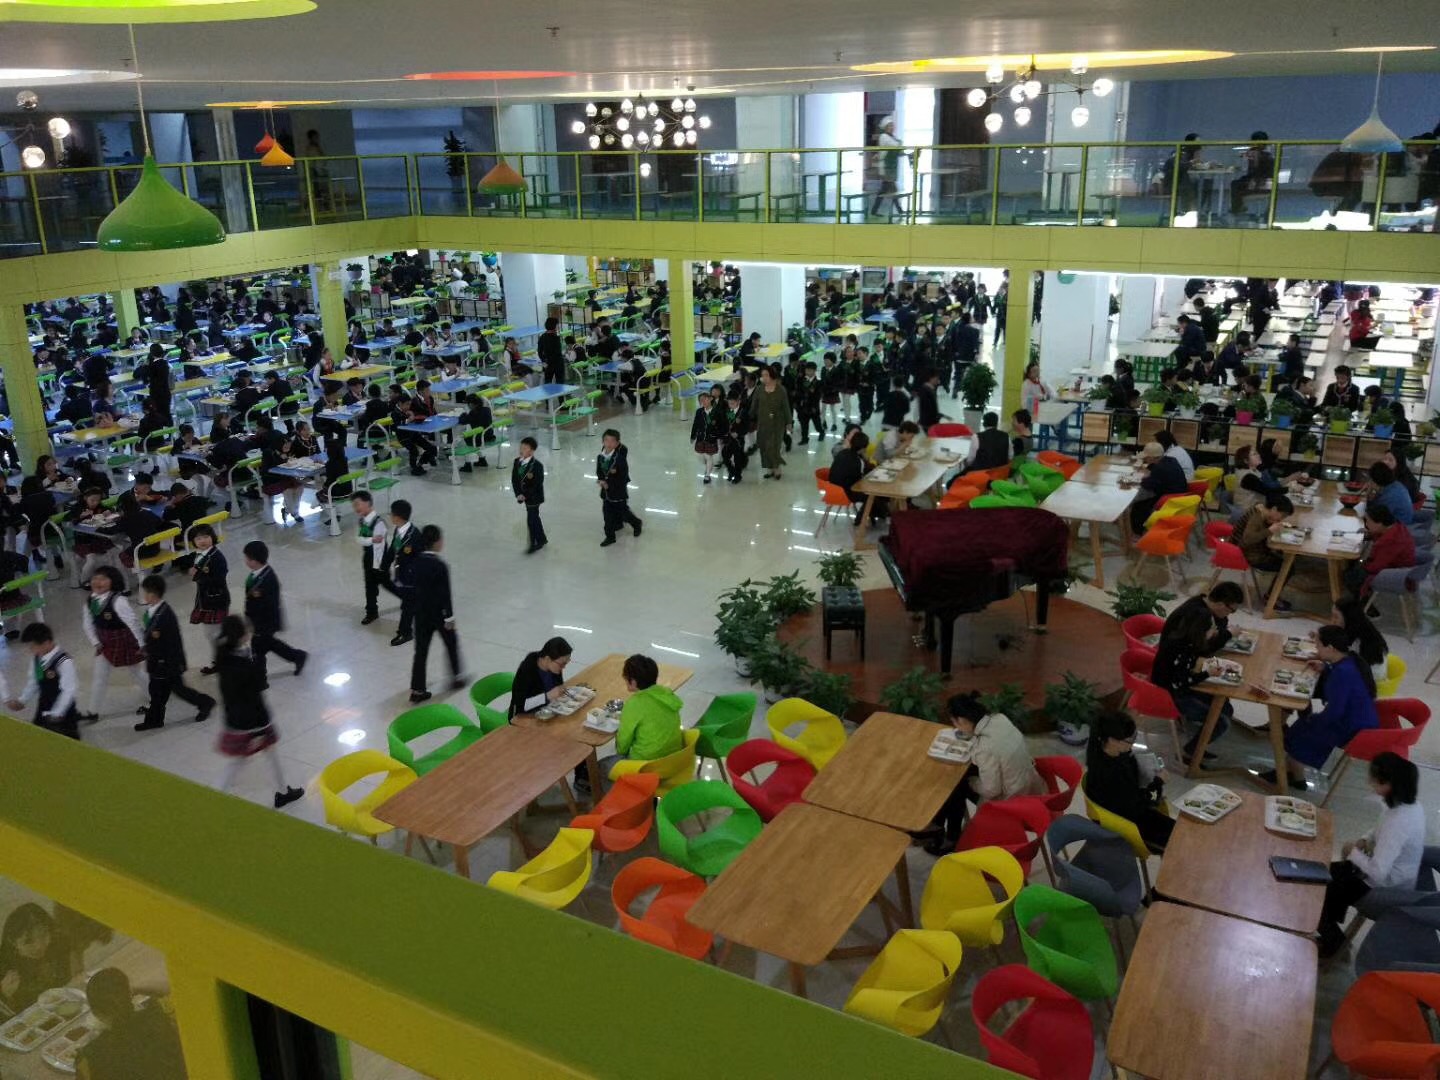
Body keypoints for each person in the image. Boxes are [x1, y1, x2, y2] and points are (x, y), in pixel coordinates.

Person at [1314, 751, 1424, 958]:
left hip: (1385, 888)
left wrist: (1352, 853)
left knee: (1317, 891)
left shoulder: (1399, 821)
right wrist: (1365, 839)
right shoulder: (1407, 805)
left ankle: (1334, 943)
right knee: (1321, 875)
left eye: (1374, 779)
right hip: (1383, 874)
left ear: (1389, 784)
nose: (1369, 782)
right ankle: (1333, 937)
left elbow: (1379, 872)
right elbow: (1378, 829)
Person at [923, 692, 1044, 856]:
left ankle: (948, 835)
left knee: (957, 787)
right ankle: (941, 827)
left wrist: (971, 781)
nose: (956, 728)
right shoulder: (1000, 719)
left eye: (955, 723)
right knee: (959, 784)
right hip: (1028, 784)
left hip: (1010, 799)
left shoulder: (985, 748)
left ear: (962, 720)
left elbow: (991, 790)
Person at [1263, 624, 1379, 789]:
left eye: (1318, 646)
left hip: (1351, 727)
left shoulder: (1342, 673)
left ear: (1330, 648)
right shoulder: (1349, 660)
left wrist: (1315, 719)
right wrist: (1325, 668)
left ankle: (1291, 776)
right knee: (1300, 726)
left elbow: (1335, 711)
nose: (1316, 649)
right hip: (1358, 719)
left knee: (1300, 731)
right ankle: (1293, 774)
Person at [211, 615, 304, 808]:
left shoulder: (224, 656)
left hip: (235, 719)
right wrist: (262, 728)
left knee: (255, 756)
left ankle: (282, 791)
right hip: (253, 721)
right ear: (241, 635)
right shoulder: (245, 663)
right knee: (246, 758)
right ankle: (218, 794)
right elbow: (256, 691)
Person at [1151, 596, 1238, 761]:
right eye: (1211, 628)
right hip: (1171, 694)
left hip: (1178, 685)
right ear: (1201, 631)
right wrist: (1206, 674)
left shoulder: (1187, 641)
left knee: (1224, 705)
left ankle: (1200, 728)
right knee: (1221, 721)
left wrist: (1206, 673)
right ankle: (1190, 751)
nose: (1214, 631)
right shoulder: (1183, 650)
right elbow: (1183, 682)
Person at [1084, 710, 1174, 851]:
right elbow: (1143, 803)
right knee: (1180, 842)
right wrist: (1158, 782)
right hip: (1128, 825)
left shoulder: (1104, 753)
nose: (1132, 744)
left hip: (1131, 811)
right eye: (1129, 741)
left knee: (1181, 832)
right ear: (1112, 740)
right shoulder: (1110, 774)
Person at [135, 575, 215, 732]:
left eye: (145, 592)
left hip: (166, 663)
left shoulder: (165, 616)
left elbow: (172, 643)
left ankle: (205, 703)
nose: (144, 595)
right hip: (159, 662)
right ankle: (155, 720)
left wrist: (167, 663)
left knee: (173, 690)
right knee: (160, 692)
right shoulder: (154, 611)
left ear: (152, 594)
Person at [77, 967, 185, 1080]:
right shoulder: (161, 1015)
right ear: (130, 995)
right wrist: (135, 988)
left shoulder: (91, 1057)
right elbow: (174, 988)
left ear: (96, 1013)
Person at [80, 565, 148, 722]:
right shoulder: (90, 601)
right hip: (104, 644)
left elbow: (133, 623)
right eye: (95, 578)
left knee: (136, 672)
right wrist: (95, 642)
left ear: (113, 582)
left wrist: (142, 644)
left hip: (124, 641)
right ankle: (92, 711)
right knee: (99, 677)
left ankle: (156, 697)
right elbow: (87, 624)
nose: (98, 582)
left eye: (103, 579)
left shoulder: (119, 601)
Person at [599, 654, 684, 774]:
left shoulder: (634, 704)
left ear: (633, 681)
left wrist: (620, 751)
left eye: (625, 678)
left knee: (599, 766)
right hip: (674, 759)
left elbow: (623, 745)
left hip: (646, 765)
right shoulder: (667, 694)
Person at [408, 524, 462, 704]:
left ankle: (417, 689)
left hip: (420, 614)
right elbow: (445, 594)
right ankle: (456, 677)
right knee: (451, 643)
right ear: (438, 542)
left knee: (420, 651)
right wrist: (449, 617)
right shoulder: (440, 566)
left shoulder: (415, 562)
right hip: (438, 614)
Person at [241, 541, 308, 679]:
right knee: (268, 644)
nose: (245, 561)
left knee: (259, 647)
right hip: (258, 620)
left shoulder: (268, 579)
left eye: (247, 558)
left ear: (254, 561)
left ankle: (260, 676)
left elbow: (270, 604)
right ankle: (297, 656)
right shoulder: (256, 574)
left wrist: (257, 622)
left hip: (265, 621)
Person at [7, 622, 80, 739]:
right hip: (44, 703)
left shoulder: (64, 661)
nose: (30, 650)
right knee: (39, 737)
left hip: (63, 710)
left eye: (32, 646)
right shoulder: (37, 658)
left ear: (46, 643)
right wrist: (22, 700)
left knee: (66, 741)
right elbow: (34, 681)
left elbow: (68, 690)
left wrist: (57, 713)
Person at [0, 904, 74, 1013]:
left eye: (43, 934)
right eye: (28, 941)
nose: (39, 946)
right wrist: (4, 995)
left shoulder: (58, 945)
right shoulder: (3, 966)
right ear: (13, 942)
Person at [1347, 504, 1416, 601]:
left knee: (1351, 575)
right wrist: (1370, 534)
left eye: (1368, 521)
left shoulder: (1391, 541)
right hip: (1401, 570)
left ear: (1379, 523)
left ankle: (1360, 601)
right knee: (1356, 564)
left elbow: (1375, 567)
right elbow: (1381, 537)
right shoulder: (1397, 527)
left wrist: (1361, 562)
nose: (1366, 524)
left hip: (1395, 577)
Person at [378, 499, 420, 645]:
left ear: (397, 517)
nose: (390, 516)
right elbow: (393, 549)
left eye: (391, 514)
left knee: (407, 605)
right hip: (402, 574)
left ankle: (405, 633)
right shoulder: (399, 530)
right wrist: (383, 567)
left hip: (412, 577)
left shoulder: (414, 536)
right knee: (385, 582)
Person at [1129, 441, 1189, 533]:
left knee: (1138, 504)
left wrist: (1137, 480)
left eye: (1146, 457)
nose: (1145, 459)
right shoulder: (1170, 460)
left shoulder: (1160, 468)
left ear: (1152, 457)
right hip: (1180, 495)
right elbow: (1154, 475)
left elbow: (1147, 486)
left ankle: (1138, 532)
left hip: (1169, 500)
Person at [596, 429, 643, 547]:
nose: (609, 443)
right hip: (606, 493)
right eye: (606, 440)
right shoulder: (600, 457)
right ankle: (610, 537)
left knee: (623, 513)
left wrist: (610, 483)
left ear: (617, 443)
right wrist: (601, 480)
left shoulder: (620, 459)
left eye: (612, 441)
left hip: (618, 492)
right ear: (602, 442)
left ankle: (636, 523)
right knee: (607, 514)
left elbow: (623, 477)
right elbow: (599, 471)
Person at [508, 637, 573, 718]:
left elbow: (558, 687)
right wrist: (547, 696)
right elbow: (520, 705)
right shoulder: (527, 670)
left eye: (566, 663)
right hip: (524, 717)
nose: (564, 667)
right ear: (547, 659)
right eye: (562, 664)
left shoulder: (555, 668)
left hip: (548, 712)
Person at [748, 364, 792, 480]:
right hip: (763, 422)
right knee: (764, 447)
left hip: (777, 423)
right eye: (762, 375)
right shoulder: (759, 389)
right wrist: (748, 417)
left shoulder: (781, 390)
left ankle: (777, 468)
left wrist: (789, 422)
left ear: (772, 376)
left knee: (774, 447)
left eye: (766, 375)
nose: (764, 378)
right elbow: (754, 405)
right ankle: (769, 469)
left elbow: (786, 407)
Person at [513, 436, 547, 553]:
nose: (521, 450)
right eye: (521, 447)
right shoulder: (517, 462)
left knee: (531, 520)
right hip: (524, 496)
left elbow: (536, 485)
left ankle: (534, 543)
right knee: (534, 518)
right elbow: (514, 480)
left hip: (534, 497)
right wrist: (518, 493)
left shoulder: (537, 466)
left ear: (532, 451)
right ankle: (542, 539)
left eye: (525, 448)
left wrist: (525, 495)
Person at [870, 117, 906, 218]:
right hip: (886, 168)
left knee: (885, 189)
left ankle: (874, 210)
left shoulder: (891, 137)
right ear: (885, 127)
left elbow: (898, 149)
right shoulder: (884, 136)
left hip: (891, 167)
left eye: (892, 125)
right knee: (892, 189)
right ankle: (900, 211)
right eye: (890, 126)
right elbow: (896, 145)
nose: (892, 127)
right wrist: (900, 143)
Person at [690, 385, 724, 483]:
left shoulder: (717, 412)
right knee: (699, 455)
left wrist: (719, 435)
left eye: (705, 399)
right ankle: (708, 466)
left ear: (710, 399)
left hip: (711, 439)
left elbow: (722, 425)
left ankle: (707, 475)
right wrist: (693, 436)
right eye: (701, 401)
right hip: (701, 438)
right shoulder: (699, 412)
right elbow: (695, 424)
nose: (703, 402)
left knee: (708, 456)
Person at [1365, 461, 1415, 525]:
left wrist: (1368, 493)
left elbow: (1373, 515)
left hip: (1399, 527)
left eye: (1371, 480)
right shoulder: (1396, 484)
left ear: (1376, 481)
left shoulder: (1390, 496)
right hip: (1401, 522)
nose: (1370, 482)